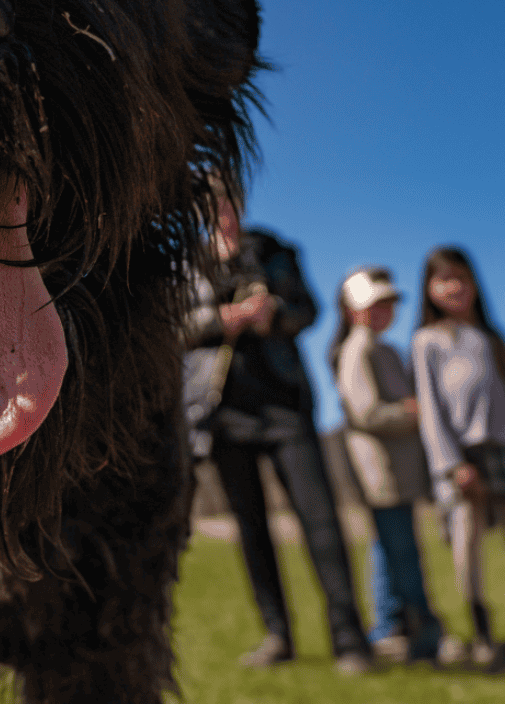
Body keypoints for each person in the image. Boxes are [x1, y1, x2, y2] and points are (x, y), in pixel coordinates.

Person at [184, 185, 372, 674]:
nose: (221, 213)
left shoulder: (274, 251)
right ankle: (278, 636)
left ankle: (350, 640)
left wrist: (275, 317)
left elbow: (308, 310)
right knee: (251, 528)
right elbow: (174, 327)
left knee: (320, 519)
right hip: (222, 411)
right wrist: (221, 320)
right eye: (210, 204)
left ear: (240, 205)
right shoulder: (187, 265)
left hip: (285, 404)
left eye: (228, 201)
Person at [412, 245, 505, 664]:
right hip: (463, 455)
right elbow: (431, 411)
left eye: (461, 277)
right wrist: (452, 465)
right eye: (444, 279)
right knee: (467, 539)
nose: (454, 287)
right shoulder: (427, 342)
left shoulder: (493, 338)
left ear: (473, 284)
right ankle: (482, 633)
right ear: (430, 289)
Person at [330, 266, 460, 664]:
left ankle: (393, 627)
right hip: (380, 473)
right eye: (376, 305)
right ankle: (419, 629)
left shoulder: (387, 349)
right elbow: (365, 412)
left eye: (389, 304)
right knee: (399, 551)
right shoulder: (357, 349)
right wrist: (411, 412)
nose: (385, 312)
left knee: (391, 550)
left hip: (400, 472)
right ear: (355, 311)